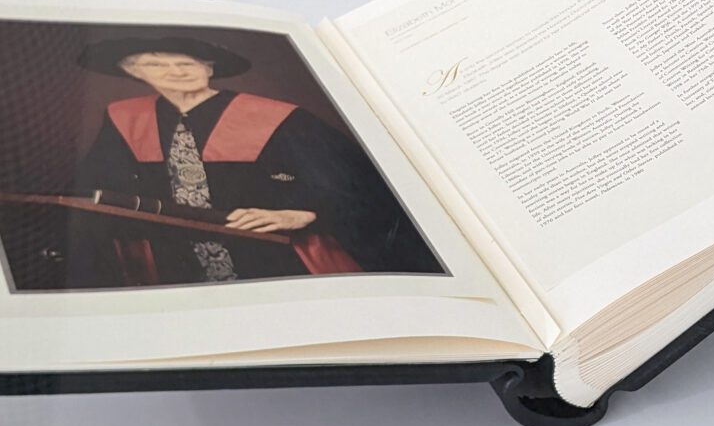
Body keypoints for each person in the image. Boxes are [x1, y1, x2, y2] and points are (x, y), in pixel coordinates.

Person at [68, 32, 441, 285]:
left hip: (272, 253)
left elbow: (354, 183)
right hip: (173, 257)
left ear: (209, 68)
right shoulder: (124, 117)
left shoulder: (277, 117)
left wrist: (300, 213)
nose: (173, 73)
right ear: (132, 72)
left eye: (186, 64)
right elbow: (101, 183)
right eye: (154, 65)